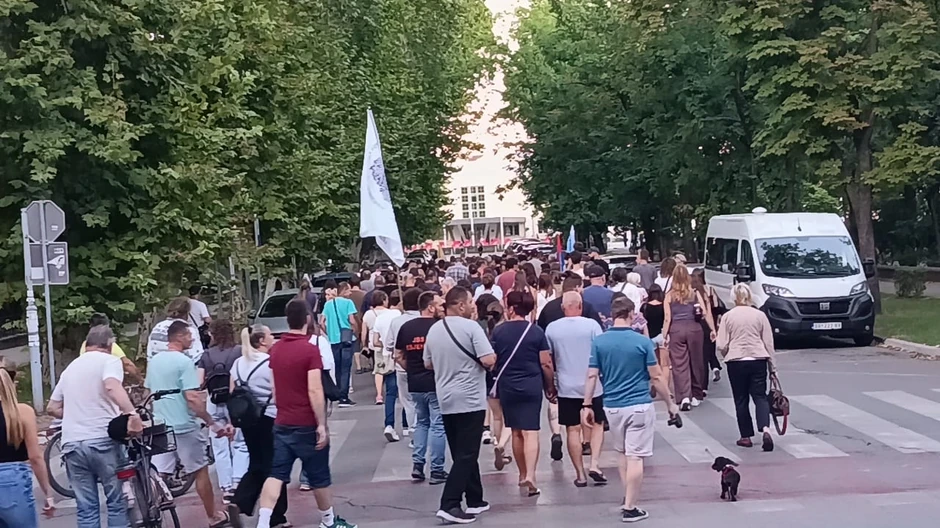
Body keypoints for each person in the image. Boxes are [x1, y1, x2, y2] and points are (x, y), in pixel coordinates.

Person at [254, 299, 356, 528]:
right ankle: (328, 521)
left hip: (282, 421)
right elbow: (315, 388)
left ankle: (263, 522)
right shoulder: (311, 350)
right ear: (308, 319)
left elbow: (274, 387)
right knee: (319, 477)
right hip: (306, 423)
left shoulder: (276, 349)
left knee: (276, 474)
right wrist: (321, 424)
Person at [582, 297, 679, 523]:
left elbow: (591, 375)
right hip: (638, 405)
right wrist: (669, 403)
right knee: (636, 456)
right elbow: (655, 376)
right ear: (631, 314)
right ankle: (630, 506)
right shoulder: (642, 342)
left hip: (612, 406)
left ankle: (628, 496)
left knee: (623, 453)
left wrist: (586, 404)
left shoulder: (600, 342)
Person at [48, 325, 142, 528]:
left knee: (86, 508)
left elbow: (52, 407)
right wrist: (132, 413)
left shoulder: (71, 367)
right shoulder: (109, 361)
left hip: (72, 444)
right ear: (109, 344)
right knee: (116, 503)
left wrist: (77, 413)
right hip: (102, 440)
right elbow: (111, 385)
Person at [147, 321, 235, 527]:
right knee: (200, 471)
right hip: (184, 425)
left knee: (159, 474)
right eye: (188, 335)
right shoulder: (184, 362)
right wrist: (211, 422)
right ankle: (213, 516)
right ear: (178, 337)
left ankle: (151, 513)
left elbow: (149, 393)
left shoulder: (154, 362)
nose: (192, 338)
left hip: (161, 426)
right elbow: (193, 398)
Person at [424, 287, 497, 524]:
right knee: (467, 454)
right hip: (470, 399)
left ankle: (475, 499)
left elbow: (427, 363)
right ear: (461, 305)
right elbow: (488, 358)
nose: (474, 306)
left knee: (461, 452)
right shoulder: (472, 327)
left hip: (445, 398)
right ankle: (450, 504)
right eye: (470, 302)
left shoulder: (434, 329)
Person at [490, 292, 556, 497]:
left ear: (510, 308)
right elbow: (545, 362)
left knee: (516, 430)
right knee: (531, 432)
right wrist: (550, 386)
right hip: (531, 384)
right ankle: (532, 475)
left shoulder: (498, 332)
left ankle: (521, 474)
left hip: (507, 385)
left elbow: (493, 360)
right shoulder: (536, 332)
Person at [228, 325, 290, 528]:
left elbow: (232, 391)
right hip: (269, 416)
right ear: (262, 341)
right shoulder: (269, 363)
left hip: (247, 419)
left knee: (256, 462)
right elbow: (277, 389)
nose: (274, 338)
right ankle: (276, 516)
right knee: (276, 465)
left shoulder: (238, 363)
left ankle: (240, 500)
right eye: (271, 335)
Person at [544, 292, 605, 488]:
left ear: (563, 308)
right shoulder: (592, 326)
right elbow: (601, 352)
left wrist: (550, 385)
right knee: (597, 424)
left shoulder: (552, 329)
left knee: (572, 428)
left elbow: (549, 359)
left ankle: (580, 474)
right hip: (592, 384)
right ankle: (594, 463)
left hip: (566, 385)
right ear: (580, 305)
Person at [395, 291, 448, 485]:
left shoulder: (407, 327)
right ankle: (437, 469)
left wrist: (412, 370)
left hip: (415, 383)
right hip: (436, 381)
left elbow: (398, 355)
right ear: (430, 307)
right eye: (440, 305)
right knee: (438, 424)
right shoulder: (440, 328)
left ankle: (418, 465)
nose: (443, 308)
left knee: (421, 422)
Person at [717, 284, 776, 452]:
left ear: (734, 297)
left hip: (736, 360)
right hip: (758, 358)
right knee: (760, 397)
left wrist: (727, 354)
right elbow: (768, 343)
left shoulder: (728, 316)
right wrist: (773, 368)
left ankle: (746, 436)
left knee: (741, 399)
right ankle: (765, 429)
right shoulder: (760, 315)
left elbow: (721, 344)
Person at [197, 319, 249, 502]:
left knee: (219, 447)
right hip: (235, 401)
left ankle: (226, 488)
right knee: (240, 443)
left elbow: (199, 382)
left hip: (213, 401)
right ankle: (238, 482)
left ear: (213, 334)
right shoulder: (238, 351)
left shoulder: (206, 355)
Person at [1, 358, 53, 525]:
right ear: (13, 381)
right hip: (12, 481)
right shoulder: (22, 412)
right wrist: (48, 493)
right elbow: (35, 457)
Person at [662, 265, 716, 412]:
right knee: (696, 361)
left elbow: (667, 318)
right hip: (694, 328)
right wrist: (712, 329)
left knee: (679, 364)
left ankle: (684, 396)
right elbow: (704, 313)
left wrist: (665, 335)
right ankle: (696, 395)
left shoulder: (669, 295)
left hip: (676, 330)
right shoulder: (694, 293)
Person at [384, 288, 423, 444]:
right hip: (424, 367)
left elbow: (389, 344)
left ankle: (414, 432)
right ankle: (421, 431)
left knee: (407, 402)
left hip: (402, 367)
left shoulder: (396, 322)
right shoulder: (425, 320)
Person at [369, 291, 404, 442]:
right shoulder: (398, 315)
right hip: (402, 357)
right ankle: (408, 425)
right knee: (405, 394)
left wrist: (386, 346)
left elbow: (375, 341)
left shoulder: (380, 318)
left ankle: (389, 425)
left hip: (387, 356)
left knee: (390, 393)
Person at [322, 283, 359, 407]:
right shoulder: (348, 303)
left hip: (334, 340)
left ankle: (338, 394)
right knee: (345, 368)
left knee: (337, 368)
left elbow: (321, 322)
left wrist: (329, 333)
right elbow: (352, 320)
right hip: (346, 338)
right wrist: (355, 329)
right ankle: (344, 397)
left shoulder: (327, 304)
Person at [79, 312, 141, 383]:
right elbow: (127, 364)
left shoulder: (84, 344)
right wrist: (140, 379)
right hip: (105, 383)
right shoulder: (109, 344)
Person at [692, 268, 724, 385]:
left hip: (700, 320)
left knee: (703, 349)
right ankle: (715, 366)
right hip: (712, 319)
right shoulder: (710, 289)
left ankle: (713, 368)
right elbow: (716, 306)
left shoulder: (694, 291)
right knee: (711, 345)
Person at [147, 297, 205, 362]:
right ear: (188, 312)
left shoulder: (157, 327)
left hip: (157, 369)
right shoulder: (188, 330)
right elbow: (197, 357)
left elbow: (150, 354)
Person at [347, 276, 369, 376]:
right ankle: (366, 364)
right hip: (363, 319)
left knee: (355, 344)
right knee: (364, 342)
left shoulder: (347, 296)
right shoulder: (364, 294)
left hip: (352, 321)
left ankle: (358, 366)